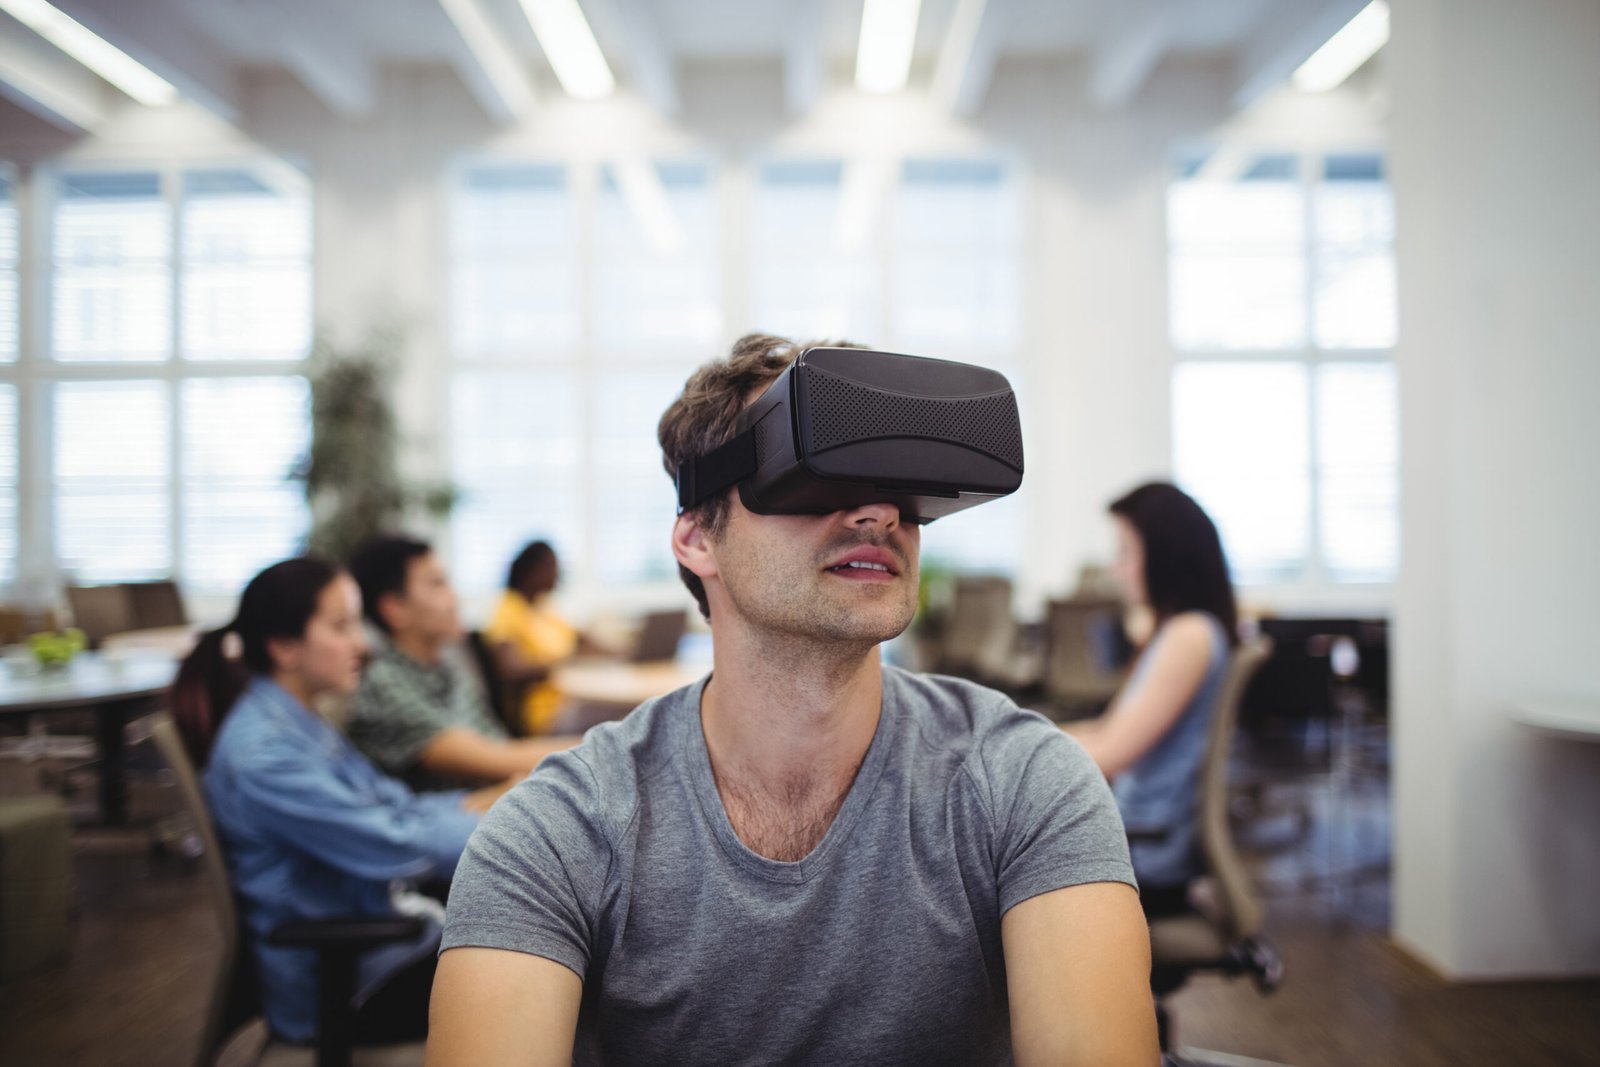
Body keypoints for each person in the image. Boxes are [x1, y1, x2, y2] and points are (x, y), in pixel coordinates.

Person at [427, 334, 1158, 1065]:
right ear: (696, 538)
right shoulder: (562, 830)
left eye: (897, 484)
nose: (878, 512)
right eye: (815, 474)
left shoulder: (1026, 782)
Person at [171, 557, 503, 1047]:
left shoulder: (296, 722)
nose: (364, 645)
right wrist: (516, 822)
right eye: (341, 626)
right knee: (563, 969)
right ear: (284, 647)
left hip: (384, 941)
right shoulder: (265, 755)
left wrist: (482, 804)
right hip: (348, 983)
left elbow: (396, 806)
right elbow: (399, 845)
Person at [1062, 482, 1237, 916]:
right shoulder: (1175, 632)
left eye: (1125, 552)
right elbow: (1107, 732)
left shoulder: (1188, 636)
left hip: (1147, 855)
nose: (1115, 568)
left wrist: (1012, 755)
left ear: (1163, 555)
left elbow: (1110, 753)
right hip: (1138, 838)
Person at [345, 535, 576, 791]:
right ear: (394, 608)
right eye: (438, 584)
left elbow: (503, 749)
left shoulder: (443, 668)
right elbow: (497, 760)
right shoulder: (384, 685)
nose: (455, 598)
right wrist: (608, 747)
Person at [483, 541, 579, 735]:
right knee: (620, 722)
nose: (557, 575)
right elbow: (510, 669)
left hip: (569, 700)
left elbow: (579, 638)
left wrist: (622, 650)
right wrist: (562, 665)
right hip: (543, 715)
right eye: (553, 567)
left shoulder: (543, 607)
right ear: (532, 570)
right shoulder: (508, 607)